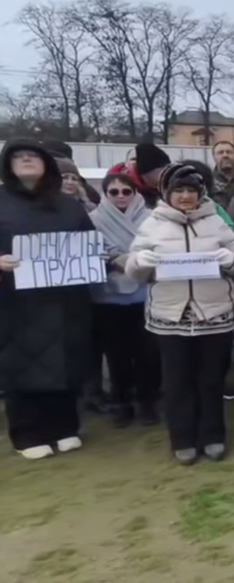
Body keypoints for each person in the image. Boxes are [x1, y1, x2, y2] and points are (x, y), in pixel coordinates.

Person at [125, 164, 234, 464]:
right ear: (167, 193)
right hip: (171, 317)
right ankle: (183, 438)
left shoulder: (216, 222)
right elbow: (132, 270)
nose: (185, 196)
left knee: (211, 380)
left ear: (200, 193)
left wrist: (230, 259)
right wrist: (140, 261)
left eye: (190, 190)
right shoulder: (151, 224)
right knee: (177, 382)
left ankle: (212, 435)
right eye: (178, 190)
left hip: (214, 313)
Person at [0, 140, 96, 459]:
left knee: (66, 362)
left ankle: (65, 426)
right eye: (18, 157)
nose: (26, 161)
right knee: (21, 365)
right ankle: (28, 433)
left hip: (66, 300)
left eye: (32, 156)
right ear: (8, 166)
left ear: (46, 164)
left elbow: (89, 243)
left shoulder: (68, 204)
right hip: (16, 303)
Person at [90, 173, 160, 427]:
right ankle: (121, 402)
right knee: (116, 355)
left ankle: (147, 402)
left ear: (135, 192)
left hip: (145, 294)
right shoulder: (93, 220)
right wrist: (114, 259)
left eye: (126, 191)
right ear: (105, 194)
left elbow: (158, 246)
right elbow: (89, 250)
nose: (120, 196)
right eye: (114, 192)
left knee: (147, 354)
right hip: (108, 296)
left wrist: (134, 262)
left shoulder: (151, 217)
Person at [211, 141, 234, 207]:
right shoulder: (209, 182)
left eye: (229, 152)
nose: (225, 155)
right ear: (214, 157)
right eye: (220, 153)